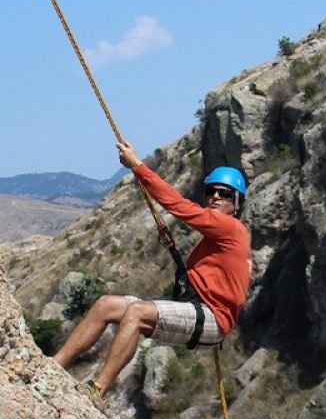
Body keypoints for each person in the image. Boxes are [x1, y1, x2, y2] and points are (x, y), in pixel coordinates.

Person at [52, 141, 251, 405]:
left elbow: (178, 206)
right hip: (199, 309)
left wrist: (137, 167)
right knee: (106, 306)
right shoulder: (214, 239)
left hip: (213, 318)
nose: (215, 197)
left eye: (224, 194)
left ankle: (97, 391)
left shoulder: (231, 228)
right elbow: (203, 276)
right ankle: (53, 367)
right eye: (211, 192)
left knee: (136, 313)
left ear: (236, 203)